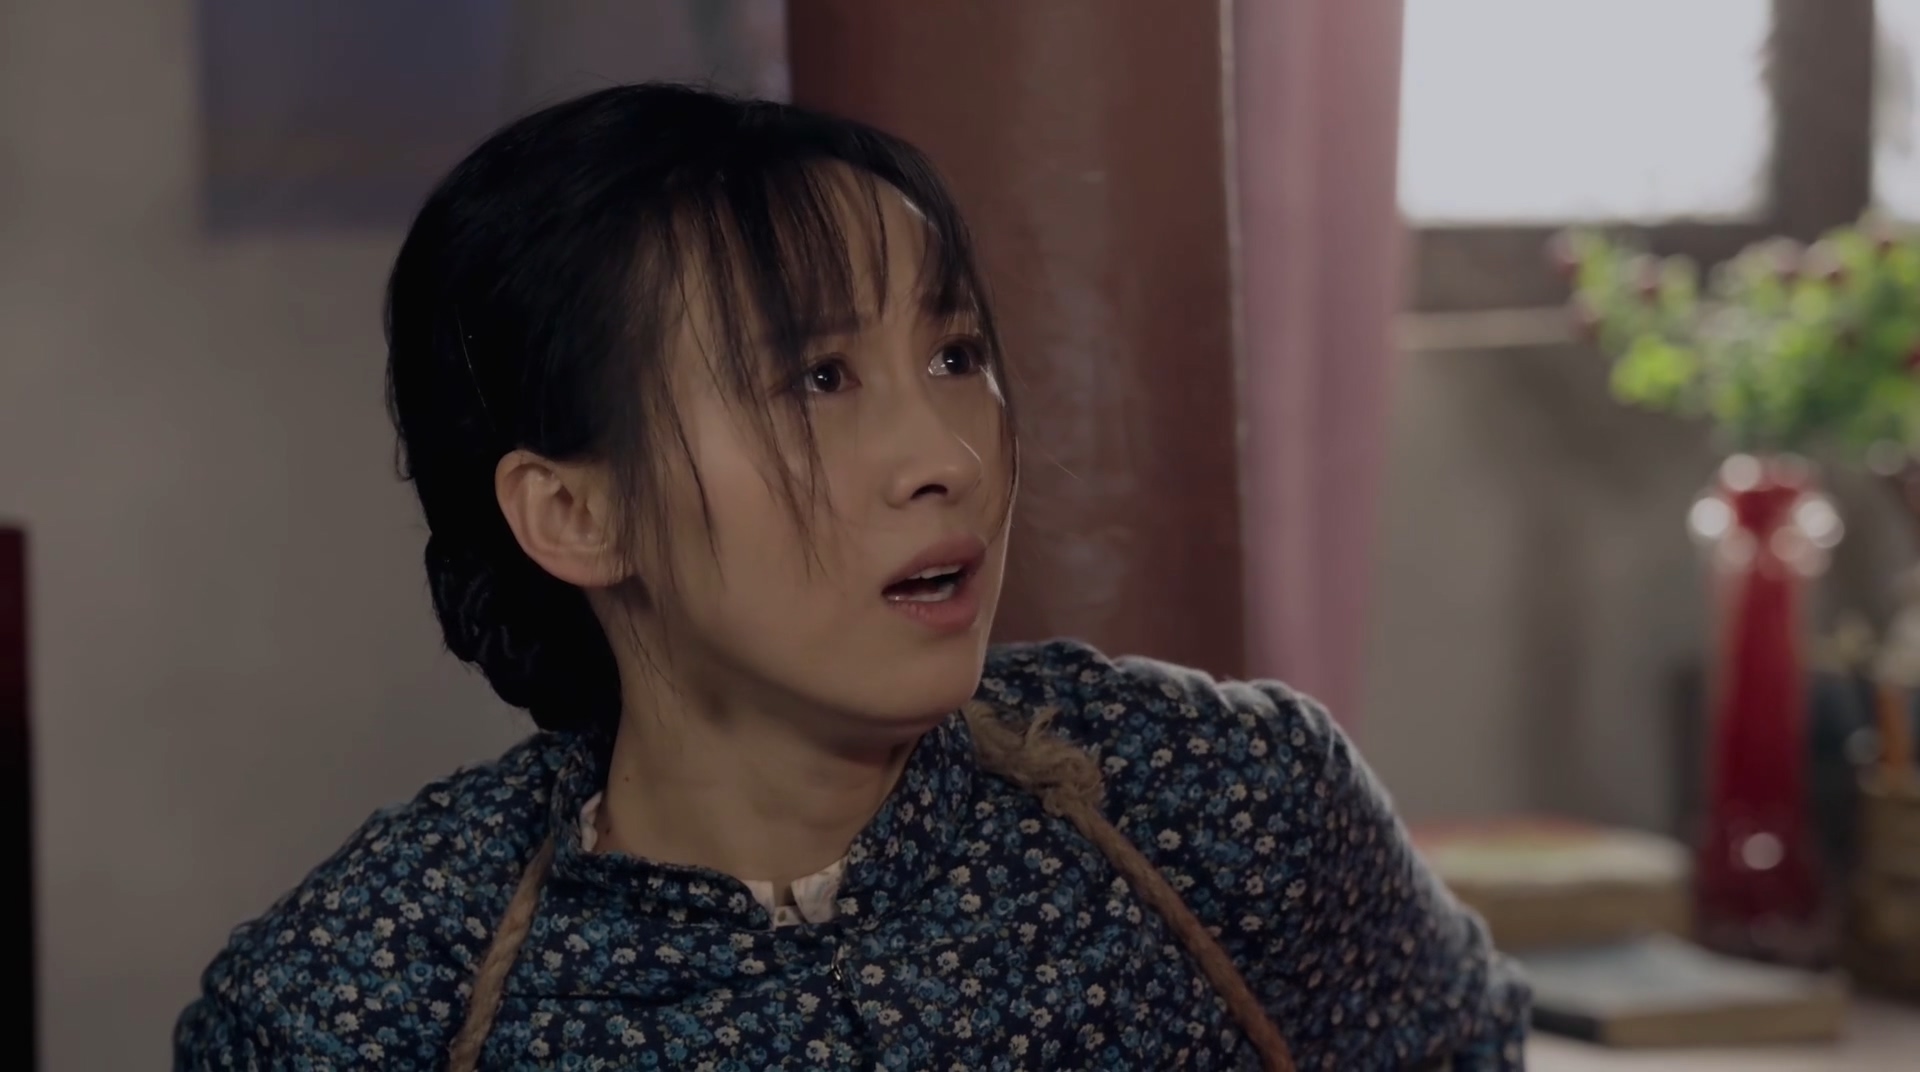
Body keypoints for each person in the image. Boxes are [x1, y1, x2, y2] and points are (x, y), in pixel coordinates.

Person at [174, 83, 1528, 1071]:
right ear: (576, 513)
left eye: (954, 356)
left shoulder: (1224, 803)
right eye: (816, 380)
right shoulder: (362, 1000)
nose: (946, 457)